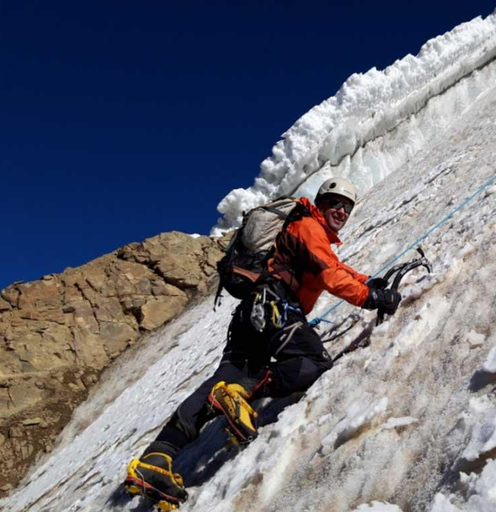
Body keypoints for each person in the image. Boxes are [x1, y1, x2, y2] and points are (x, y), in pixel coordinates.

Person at [124, 177, 401, 505]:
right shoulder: (309, 228)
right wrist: (373, 297)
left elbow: (333, 267)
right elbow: (330, 275)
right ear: (321, 203)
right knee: (312, 363)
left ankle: (157, 457)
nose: (341, 210)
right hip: (274, 309)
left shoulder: (307, 233)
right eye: (335, 203)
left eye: (347, 206)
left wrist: (368, 281)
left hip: (249, 317)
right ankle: (240, 393)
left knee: (222, 381)